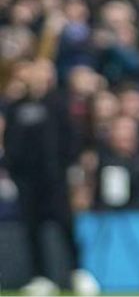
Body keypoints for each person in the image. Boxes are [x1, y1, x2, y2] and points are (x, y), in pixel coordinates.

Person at [3, 60, 100, 296]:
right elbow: (10, 143)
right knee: (32, 229)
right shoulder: (16, 107)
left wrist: (70, 167)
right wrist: (14, 170)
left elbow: (71, 138)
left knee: (66, 226)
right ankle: (40, 276)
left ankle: (78, 272)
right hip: (27, 179)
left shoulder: (58, 103)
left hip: (56, 178)